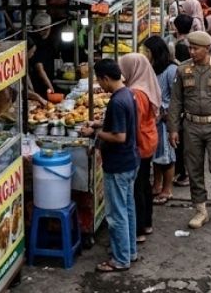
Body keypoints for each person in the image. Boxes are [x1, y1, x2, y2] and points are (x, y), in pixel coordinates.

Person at [168, 31, 211, 229]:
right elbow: (176, 101)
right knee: (194, 169)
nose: (192, 52)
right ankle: (200, 209)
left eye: (195, 48)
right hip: (191, 126)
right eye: (190, 48)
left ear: (207, 49)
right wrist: (173, 128)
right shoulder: (183, 70)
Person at [80, 59, 138, 272]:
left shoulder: (117, 101)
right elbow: (119, 125)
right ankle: (130, 251)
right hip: (130, 161)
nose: (99, 85)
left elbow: (119, 136)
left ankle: (120, 259)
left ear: (105, 78)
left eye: (99, 80)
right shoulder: (127, 94)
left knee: (116, 214)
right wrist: (99, 124)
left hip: (118, 164)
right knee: (128, 209)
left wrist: (93, 132)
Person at [119, 54, 161, 244]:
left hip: (140, 143)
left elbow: (133, 125)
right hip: (150, 138)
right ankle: (147, 222)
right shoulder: (148, 85)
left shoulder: (135, 93)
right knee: (144, 183)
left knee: (137, 186)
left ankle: (138, 229)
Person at [142, 36, 178, 205]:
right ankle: (156, 185)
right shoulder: (151, 68)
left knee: (167, 157)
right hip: (152, 120)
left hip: (165, 120)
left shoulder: (171, 70)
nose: (145, 54)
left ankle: (167, 189)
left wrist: (165, 113)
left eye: (147, 51)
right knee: (156, 156)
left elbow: (176, 97)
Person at [27, 13, 57, 98]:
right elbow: (39, 68)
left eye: (44, 28)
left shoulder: (49, 40)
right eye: (38, 29)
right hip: (39, 84)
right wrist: (50, 87)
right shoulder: (35, 43)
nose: (41, 31)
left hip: (48, 79)